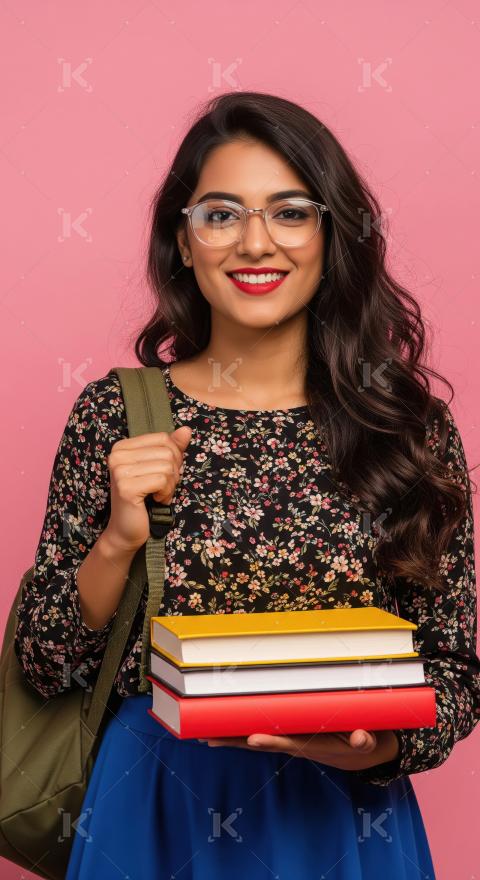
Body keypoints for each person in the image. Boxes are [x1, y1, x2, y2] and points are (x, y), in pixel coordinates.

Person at [14, 91, 480, 880]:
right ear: (184, 241)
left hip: (342, 819)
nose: (255, 243)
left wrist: (377, 745)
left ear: (333, 237)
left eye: (290, 212)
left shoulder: (407, 429)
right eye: (221, 214)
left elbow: (455, 674)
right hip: (152, 811)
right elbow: (45, 665)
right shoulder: (118, 414)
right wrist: (118, 540)